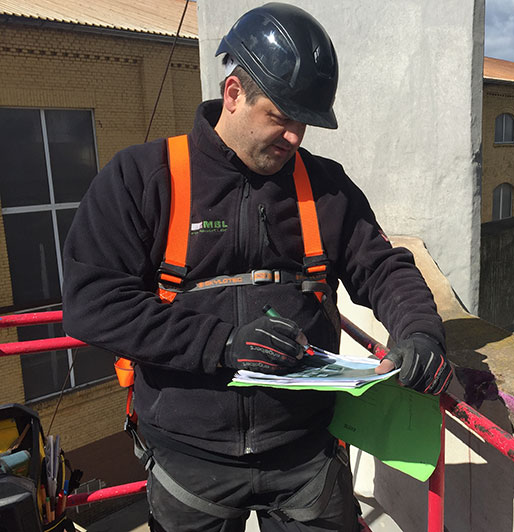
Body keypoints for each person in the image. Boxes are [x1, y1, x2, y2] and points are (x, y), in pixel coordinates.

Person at [61, 3, 452, 531]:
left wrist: (421, 335)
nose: (295, 137)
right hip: (188, 461)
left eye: (304, 123)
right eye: (282, 116)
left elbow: (383, 270)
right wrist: (222, 343)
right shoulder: (144, 178)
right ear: (234, 93)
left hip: (306, 456)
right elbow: (94, 305)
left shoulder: (326, 188)